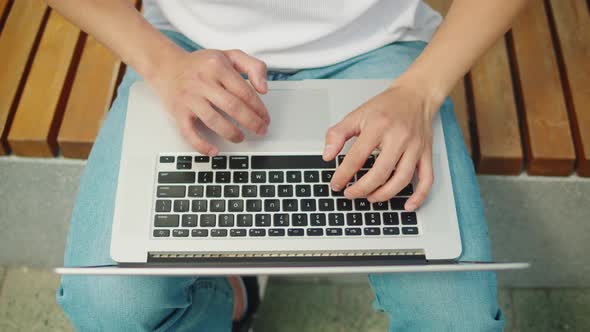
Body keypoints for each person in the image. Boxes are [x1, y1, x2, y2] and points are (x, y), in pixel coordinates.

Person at [49, 0, 530, 331]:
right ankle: (230, 298)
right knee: (107, 304)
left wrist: (420, 92)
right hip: (182, 48)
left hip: (381, 52)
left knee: (454, 318)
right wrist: (162, 65)